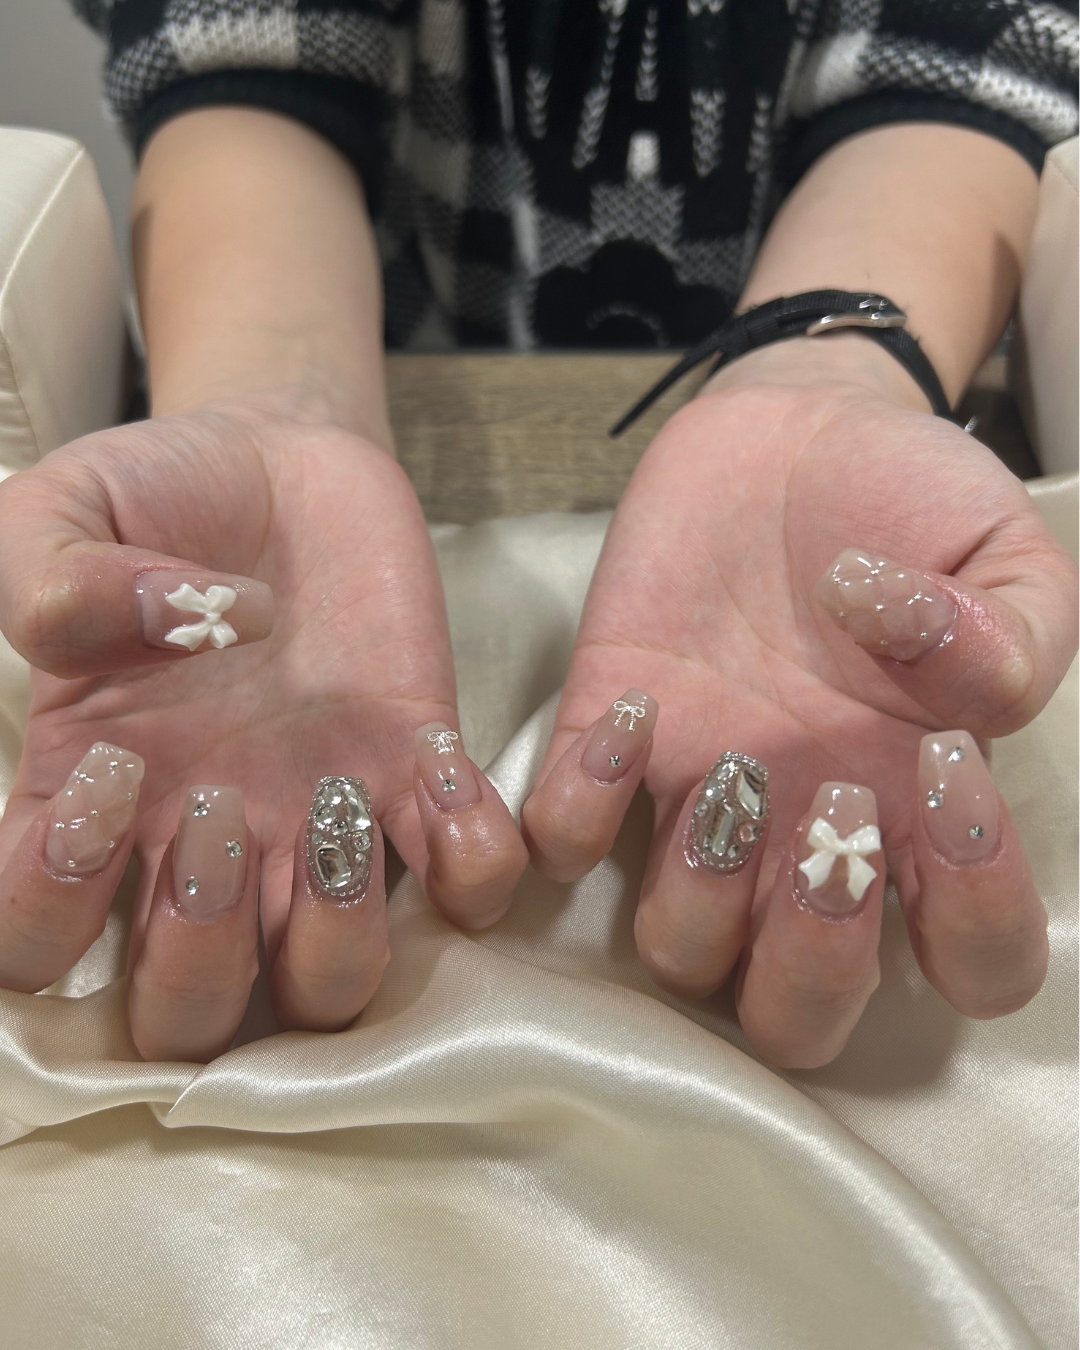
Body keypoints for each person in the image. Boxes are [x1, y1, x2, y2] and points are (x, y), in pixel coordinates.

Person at [0, 0, 1074, 1066]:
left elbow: (956, 71)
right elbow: (245, 67)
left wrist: (822, 382)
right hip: (396, 337)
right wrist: (272, 414)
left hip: (843, 282)